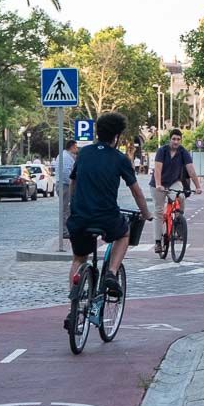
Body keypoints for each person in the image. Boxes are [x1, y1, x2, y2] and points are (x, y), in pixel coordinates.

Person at [66, 111, 153, 301]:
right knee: (124, 234)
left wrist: (73, 206)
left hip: (79, 217)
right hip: (106, 217)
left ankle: (74, 299)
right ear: (117, 136)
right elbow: (136, 191)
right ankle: (112, 273)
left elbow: (73, 182)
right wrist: (146, 213)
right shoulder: (120, 159)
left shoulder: (84, 153)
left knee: (79, 258)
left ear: (97, 133)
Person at [150, 129, 203, 254]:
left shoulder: (183, 152)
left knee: (181, 196)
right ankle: (158, 242)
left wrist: (198, 186)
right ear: (170, 139)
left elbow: (191, 170)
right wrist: (158, 184)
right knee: (158, 211)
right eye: (174, 139)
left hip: (174, 182)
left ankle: (179, 220)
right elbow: (157, 169)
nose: (176, 141)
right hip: (158, 184)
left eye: (178, 139)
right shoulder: (162, 151)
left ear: (181, 140)